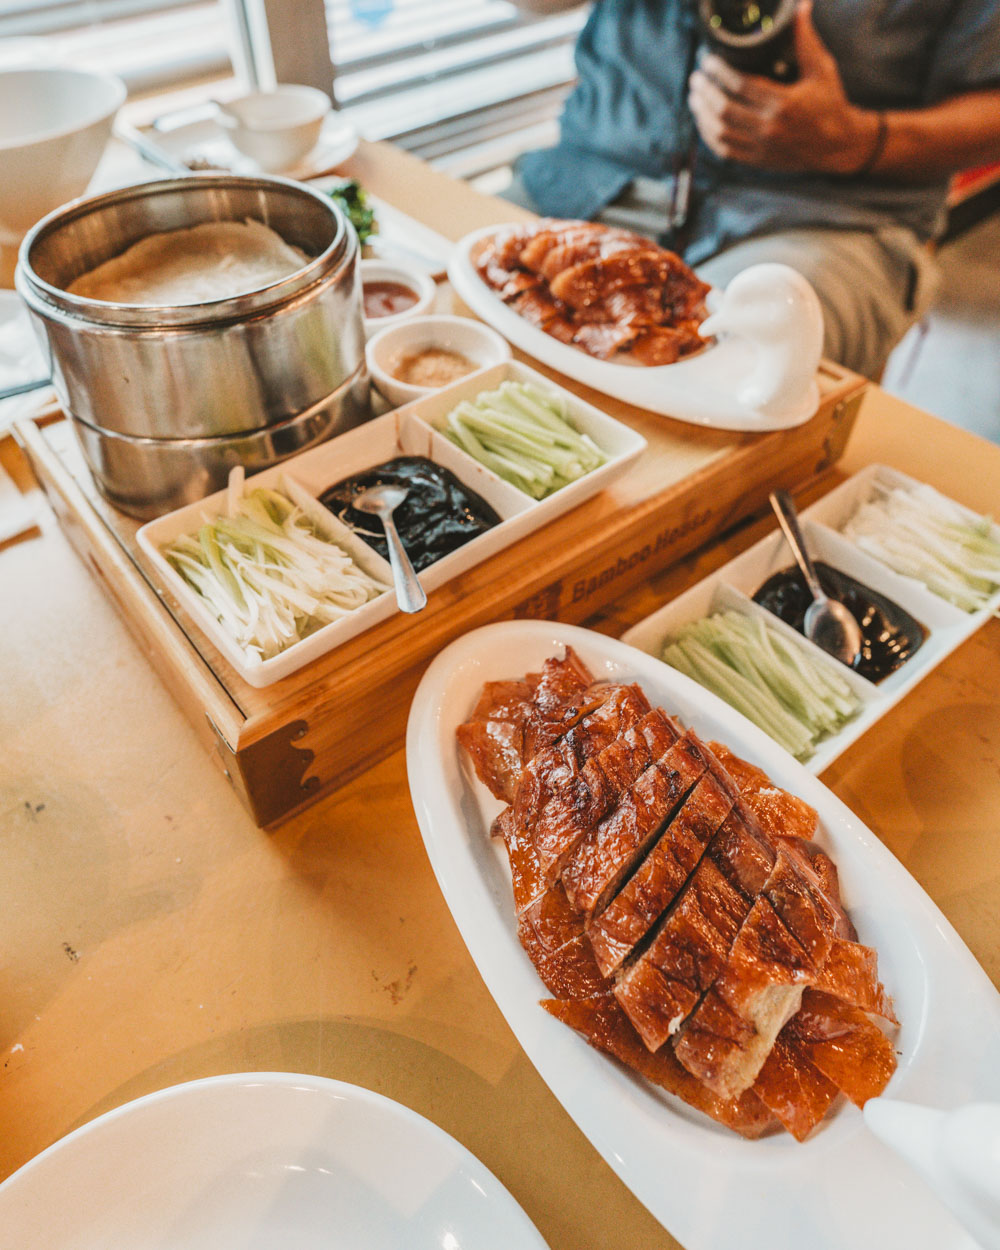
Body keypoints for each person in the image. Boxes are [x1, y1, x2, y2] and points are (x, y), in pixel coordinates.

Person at [504, 0, 1000, 378]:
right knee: (446, 296)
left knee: (717, 379)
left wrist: (854, 141)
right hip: (590, 173)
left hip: (827, 218)